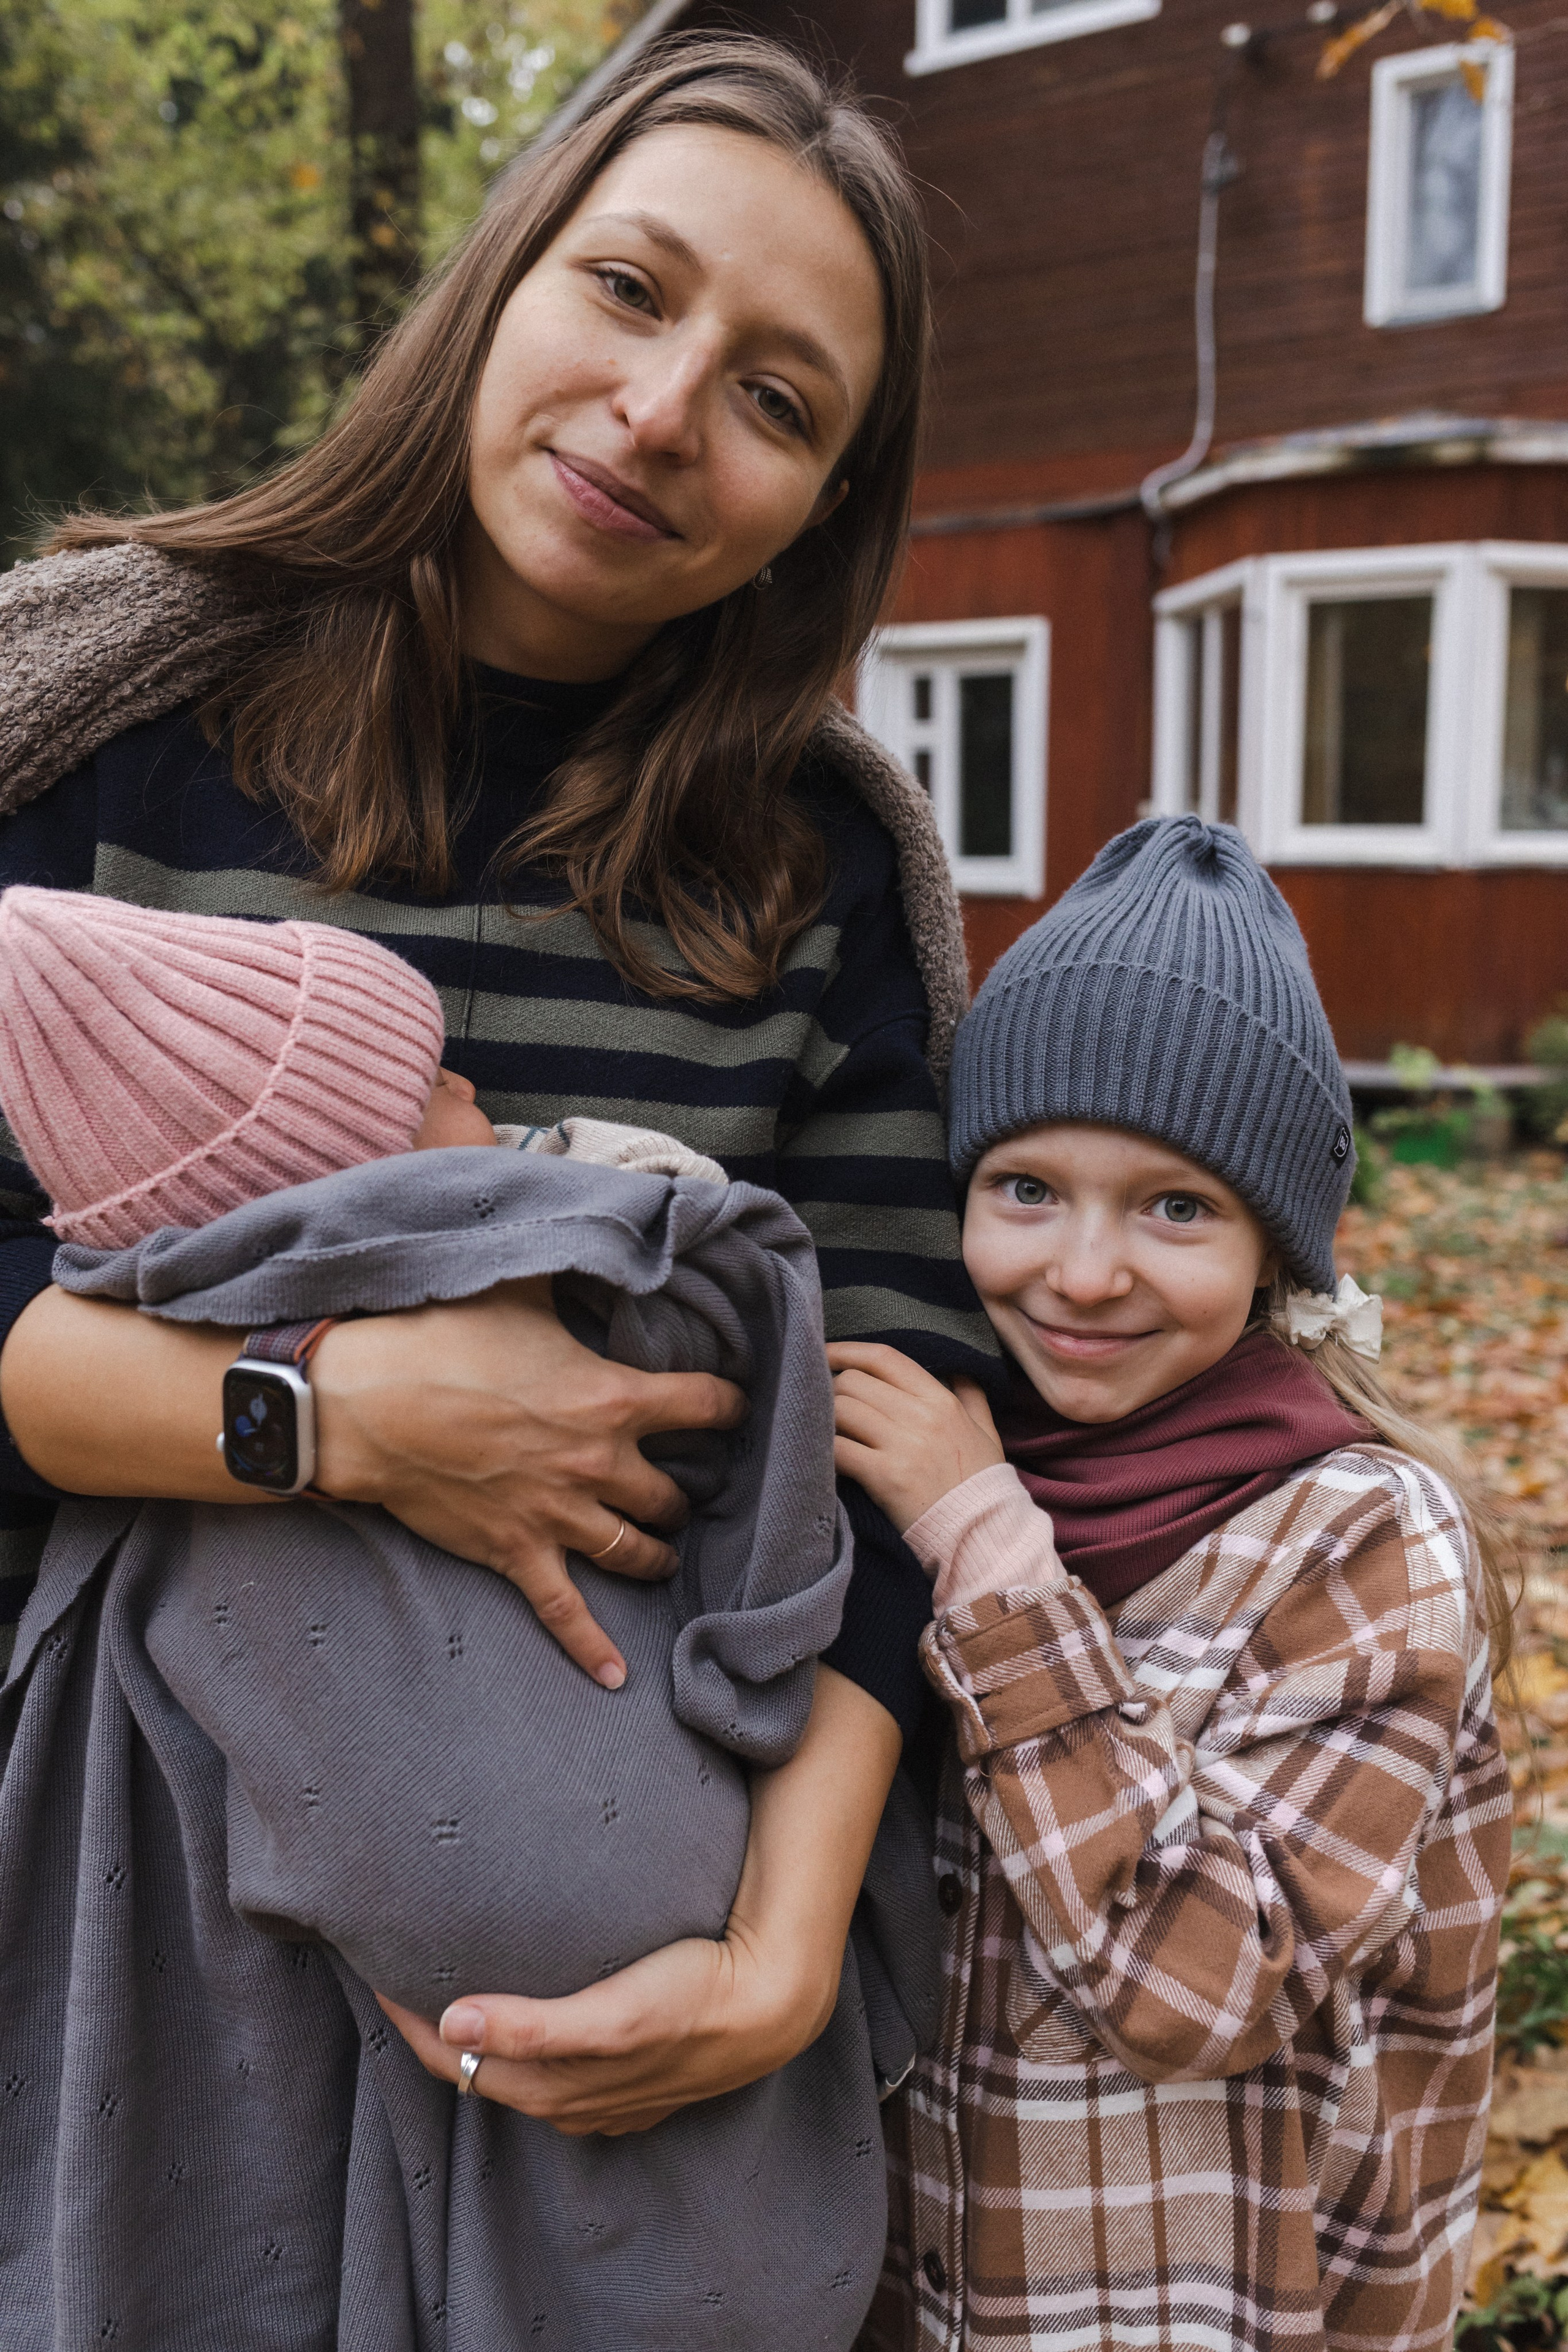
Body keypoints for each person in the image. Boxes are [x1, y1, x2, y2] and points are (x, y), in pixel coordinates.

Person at [0, 32, 998, 2157]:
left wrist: (784, 1956)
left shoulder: (818, 884)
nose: (661, 414)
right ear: (503, 273)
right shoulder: (92, 736)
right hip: (105, 1928)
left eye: (778, 398)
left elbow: (910, 1442)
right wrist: (338, 1424)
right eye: (630, 290)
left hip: (621, 1994)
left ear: (822, 513)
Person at [828, 816, 1513, 2352]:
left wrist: (989, 1560)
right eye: (1024, 1189)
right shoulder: (931, 1456)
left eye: (1175, 1208)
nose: (1080, 1273)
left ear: (1274, 1249)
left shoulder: (1358, 1538)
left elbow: (1195, 1986)